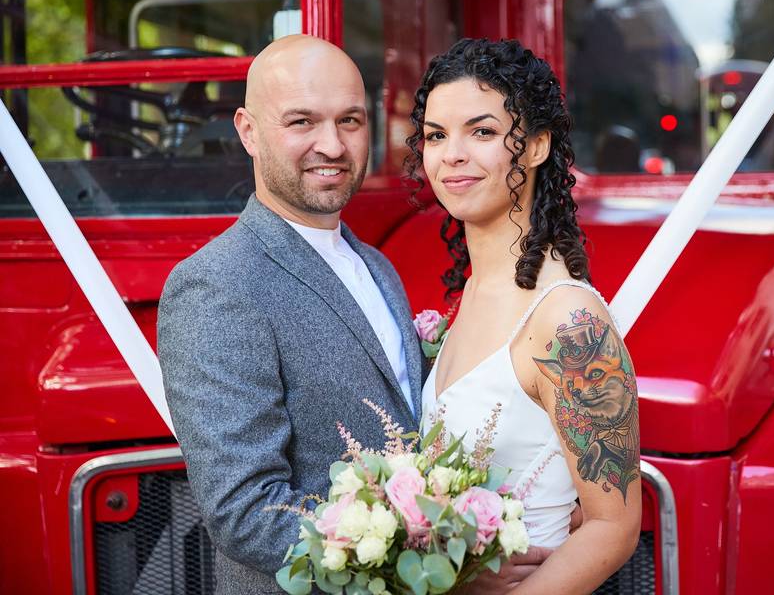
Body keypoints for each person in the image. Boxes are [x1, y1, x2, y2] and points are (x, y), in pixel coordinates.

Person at [157, 35, 425, 594]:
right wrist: (429, 544)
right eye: (302, 122)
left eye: (350, 120)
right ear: (248, 131)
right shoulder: (214, 286)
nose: (332, 144)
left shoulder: (379, 267)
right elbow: (245, 511)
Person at [409, 38, 643, 593]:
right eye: (436, 135)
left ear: (537, 146)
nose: (452, 154)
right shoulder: (468, 296)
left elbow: (613, 526)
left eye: (482, 132)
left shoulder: (568, 322)